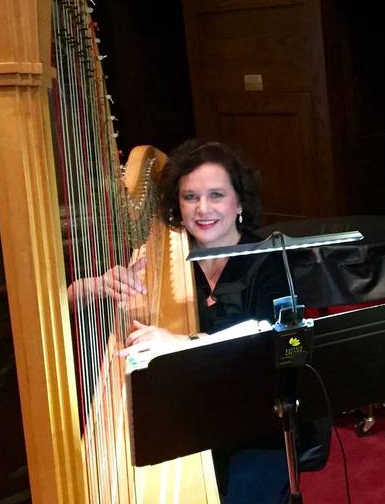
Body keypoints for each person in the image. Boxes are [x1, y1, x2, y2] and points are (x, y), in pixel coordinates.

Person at [118, 139, 327, 504]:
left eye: (216, 195)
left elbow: (274, 346)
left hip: (257, 421)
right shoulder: (158, 264)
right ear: (175, 206)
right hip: (189, 416)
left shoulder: (269, 260)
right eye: (190, 197)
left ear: (239, 202)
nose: (203, 209)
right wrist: (83, 290)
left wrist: (184, 343)